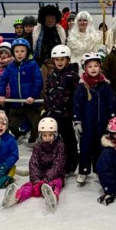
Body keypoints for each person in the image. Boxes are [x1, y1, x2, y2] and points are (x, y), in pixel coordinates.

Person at [1, 117, 65, 211]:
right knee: (30, 186)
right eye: (45, 135)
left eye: (50, 135)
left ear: (55, 135)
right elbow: (33, 163)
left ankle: (53, 196)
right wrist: (35, 179)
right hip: (40, 175)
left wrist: (47, 178)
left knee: (56, 183)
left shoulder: (60, 146)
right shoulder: (37, 147)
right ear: (40, 136)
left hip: (55, 176)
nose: (47, 138)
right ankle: (16, 196)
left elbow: (58, 164)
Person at [73, 52, 115, 185]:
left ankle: (99, 170)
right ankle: (83, 171)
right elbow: (77, 104)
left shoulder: (105, 86)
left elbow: (111, 102)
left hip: (102, 123)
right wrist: (77, 120)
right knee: (85, 147)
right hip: (87, 123)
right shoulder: (82, 86)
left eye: (96, 66)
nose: (93, 68)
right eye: (90, 66)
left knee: (100, 146)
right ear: (85, 68)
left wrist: (112, 117)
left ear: (100, 67)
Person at [42, 45, 80, 176]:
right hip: (52, 113)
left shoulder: (73, 75)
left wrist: (75, 113)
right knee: (52, 140)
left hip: (66, 114)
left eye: (62, 59)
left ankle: (71, 164)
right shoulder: (51, 74)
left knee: (69, 140)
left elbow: (77, 96)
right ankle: (52, 163)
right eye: (57, 59)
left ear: (68, 60)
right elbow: (47, 92)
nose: (59, 62)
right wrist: (46, 109)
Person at [0, 38, 43, 142]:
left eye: (22, 51)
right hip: (16, 103)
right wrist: (1, 94)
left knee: (37, 124)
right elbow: (2, 80)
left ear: (27, 52)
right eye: (17, 51)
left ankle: (36, 138)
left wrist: (33, 96)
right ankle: (16, 136)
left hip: (32, 103)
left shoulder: (32, 65)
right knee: (12, 125)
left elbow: (38, 81)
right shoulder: (10, 67)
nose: (19, 54)